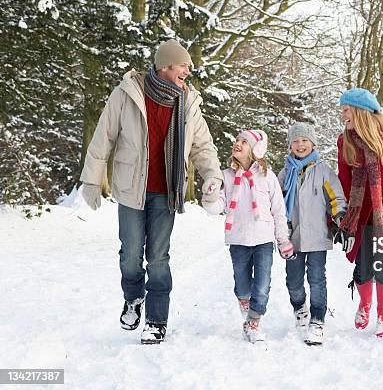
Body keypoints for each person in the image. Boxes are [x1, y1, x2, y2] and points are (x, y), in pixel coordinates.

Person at [79, 39, 223, 344]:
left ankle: (156, 321)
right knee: (131, 255)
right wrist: (91, 180)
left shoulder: (188, 102)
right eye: (183, 65)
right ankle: (133, 298)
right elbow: (103, 137)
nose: (188, 69)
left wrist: (213, 177)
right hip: (132, 187)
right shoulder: (127, 93)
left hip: (166, 191)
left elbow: (202, 146)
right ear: (165, 66)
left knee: (158, 258)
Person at [202, 129, 294, 344]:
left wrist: (283, 240)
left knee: (262, 284)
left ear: (255, 150)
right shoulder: (225, 176)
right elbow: (219, 206)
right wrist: (210, 196)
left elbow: (279, 211)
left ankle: (253, 321)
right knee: (242, 285)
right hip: (238, 239)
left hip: (263, 239)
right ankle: (244, 300)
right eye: (237, 140)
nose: (238, 143)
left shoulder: (267, 176)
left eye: (244, 141)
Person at [337, 88, 383, 337]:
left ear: (360, 110)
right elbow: (345, 181)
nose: (342, 115)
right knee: (363, 268)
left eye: (346, 110)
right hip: (362, 215)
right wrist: (346, 217)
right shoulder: (345, 140)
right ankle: (365, 304)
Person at [277, 122, 348, 345]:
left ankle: (318, 320)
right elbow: (276, 203)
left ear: (312, 143)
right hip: (292, 237)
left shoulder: (323, 171)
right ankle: (300, 308)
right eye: (296, 141)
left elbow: (336, 199)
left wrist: (340, 218)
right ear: (290, 145)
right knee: (294, 281)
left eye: (304, 140)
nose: (300, 145)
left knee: (317, 279)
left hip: (318, 236)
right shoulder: (285, 173)